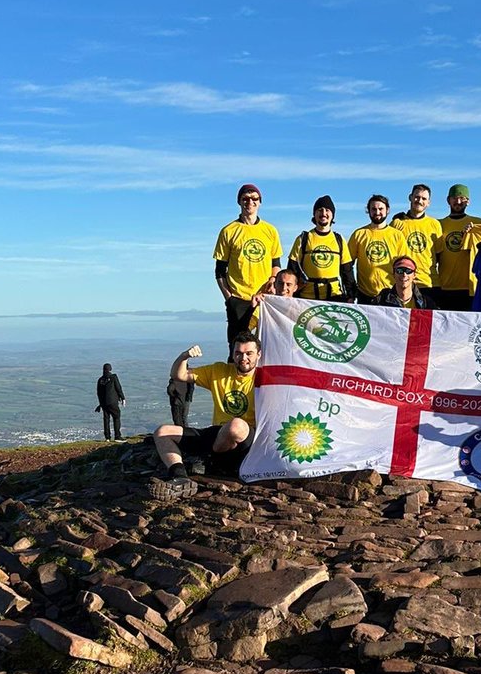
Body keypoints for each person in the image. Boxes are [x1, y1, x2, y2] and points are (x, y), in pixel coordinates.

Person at [152, 331, 262, 488]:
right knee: (162, 432)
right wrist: (184, 356)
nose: (243, 358)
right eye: (238, 353)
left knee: (236, 426)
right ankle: (178, 475)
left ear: (259, 354)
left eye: (249, 353)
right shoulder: (219, 371)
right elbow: (179, 375)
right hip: (218, 433)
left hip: (248, 437)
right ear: (233, 354)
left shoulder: (267, 378)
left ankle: (211, 461)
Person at [213, 184, 282, 357]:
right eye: (245, 199)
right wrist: (229, 299)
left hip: (264, 300)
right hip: (238, 300)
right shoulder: (228, 231)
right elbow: (220, 271)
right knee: (237, 351)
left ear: (260, 202)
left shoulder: (270, 231)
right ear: (239, 202)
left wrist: (273, 280)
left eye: (254, 199)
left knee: (266, 349)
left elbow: (276, 262)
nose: (250, 202)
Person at [289, 196, 357, 301]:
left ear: (332, 215)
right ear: (314, 214)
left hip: (334, 296)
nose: (323, 213)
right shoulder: (303, 239)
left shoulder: (339, 239)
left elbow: (347, 271)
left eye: (327, 210)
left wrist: (351, 295)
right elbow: (292, 269)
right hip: (307, 297)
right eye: (320, 210)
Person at [434, 183, 481, 310]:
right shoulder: (438, 224)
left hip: (471, 288)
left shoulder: (478, 224)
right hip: (445, 287)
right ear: (448, 200)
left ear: (468, 201)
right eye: (454, 198)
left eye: (462, 198)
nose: (458, 201)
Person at [347, 194, 405, 304]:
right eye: (373, 209)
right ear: (368, 211)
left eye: (381, 209)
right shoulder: (359, 234)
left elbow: (403, 265)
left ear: (387, 210)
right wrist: (351, 291)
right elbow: (347, 264)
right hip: (365, 295)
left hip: (391, 294)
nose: (377, 212)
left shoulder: (397, 235)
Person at [391, 184, 442, 294]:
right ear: (410, 197)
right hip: (403, 282)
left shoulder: (435, 224)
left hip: (428, 282)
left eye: (424, 199)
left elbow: (439, 256)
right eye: (417, 197)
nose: (419, 201)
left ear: (428, 203)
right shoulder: (397, 223)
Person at [95, 363, 125, 441]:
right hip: (112, 402)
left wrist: (100, 404)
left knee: (106, 419)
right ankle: (117, 436)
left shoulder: (100, 380)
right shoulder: (113, 377)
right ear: (110, 369)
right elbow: (118, 388)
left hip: (104, 403)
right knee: (116, 417)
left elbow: (99, 393)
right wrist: (123, 398)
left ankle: (107, 437)